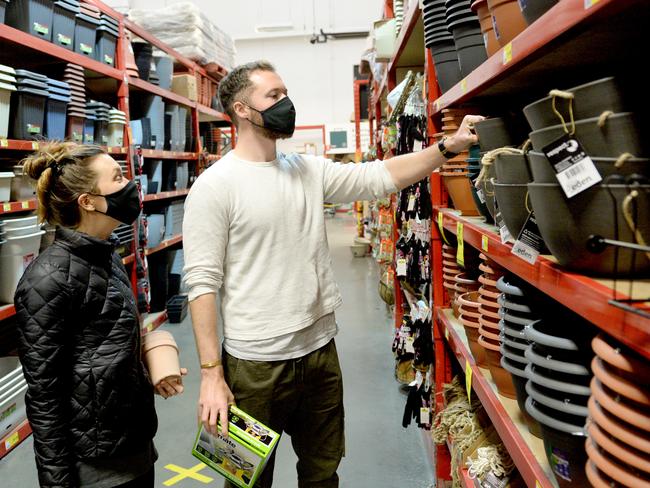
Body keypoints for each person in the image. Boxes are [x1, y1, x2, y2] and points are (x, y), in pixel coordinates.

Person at [182, 60, 482, 488]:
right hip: (254, 367)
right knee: (245, 480)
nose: (286, 103)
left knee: (323, 474)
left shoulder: (305, 170)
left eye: (285, 92)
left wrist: (447, 147)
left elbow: (379, 177)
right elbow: (202, 285)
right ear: (242, 110)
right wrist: (212, 376)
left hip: (320, 354)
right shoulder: (214, 187)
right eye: (274, 96)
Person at [14, 142, 186, 488]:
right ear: (88, 201)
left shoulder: (106, 255)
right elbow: (45, 397)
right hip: (97, 468)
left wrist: (148, 368)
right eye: (118, 177)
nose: (131, 186)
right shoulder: (47, 280)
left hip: (133, 444)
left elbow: (101, 348)